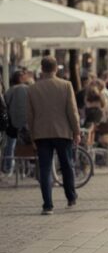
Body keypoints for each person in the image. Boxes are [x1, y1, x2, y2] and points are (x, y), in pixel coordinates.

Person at [26, 57, 80, 214]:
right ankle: (71, 197)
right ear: (56, 69)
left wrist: (32, 135)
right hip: (63, 132)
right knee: (66, 165)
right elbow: (72, 111)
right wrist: (76, 131)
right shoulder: (66, 85)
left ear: (42, 69)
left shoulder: (33, 89)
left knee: (44, 169)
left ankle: (47, 205)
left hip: (41, 134)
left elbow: (30, 116)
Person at [3, 70, 30, 175]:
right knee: (27, 146)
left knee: (10, 145)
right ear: (20, 78)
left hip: (12, 123)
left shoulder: (10, 90)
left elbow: (5, 105)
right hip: (27, 124)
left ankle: (8, 168)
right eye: (24, 75)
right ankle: (26, 170)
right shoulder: (28, 89)